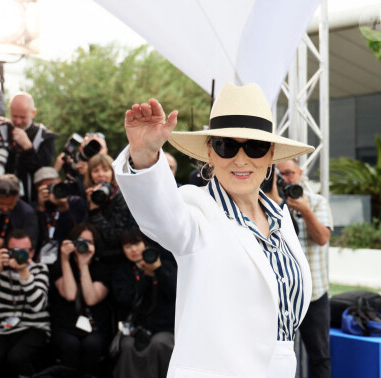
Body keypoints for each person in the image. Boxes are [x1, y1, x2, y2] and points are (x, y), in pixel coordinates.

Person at [113, 82, 315, 377]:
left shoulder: (281, 220)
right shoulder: (196, 211)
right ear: (210, 154)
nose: (241, 159)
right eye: (226, 146)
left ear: (271, 156)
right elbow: (160, 215)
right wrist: (143, 155)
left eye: (256, 147)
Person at [275, 159, 333, 378]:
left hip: (314, 295)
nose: (285, 179)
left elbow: (322, 238)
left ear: (300, 173)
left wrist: (305, 211)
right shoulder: (266, 205)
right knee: (277, 355)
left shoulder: (317, 202)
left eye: (289, 173)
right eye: (279, 175)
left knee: (319, 355)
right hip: (281, 296)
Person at [0, 229, 50, 377]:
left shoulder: (39, 269)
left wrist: (24, 273)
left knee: (17, 357)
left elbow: (38, 305)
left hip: (34, 327)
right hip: (2, 329)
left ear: (32, 252)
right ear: (6, 252)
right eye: (14, 251)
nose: (19, 256)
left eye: (24, 251)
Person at [49, 222, 113, 376]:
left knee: (92, 345)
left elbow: (91, 299)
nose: (83, 245)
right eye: (79, 241)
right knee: (70, 345)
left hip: (95, 325)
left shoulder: (102, 269)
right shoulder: (60, 266)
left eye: (88, 242)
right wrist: (65, 259)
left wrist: (84, 265)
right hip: (66, 325)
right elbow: (70, 294)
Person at [112, 228, 177, 378]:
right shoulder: (123, 272)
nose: (134, 249)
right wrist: (145, 279)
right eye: (128, 246)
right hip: (137, 327)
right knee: (127, 346)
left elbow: (174, 292)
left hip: (165, 328)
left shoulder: (165, 265)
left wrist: (158, 270)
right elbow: (126, 299)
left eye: (137, 244)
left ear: (145, 244)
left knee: (159, 344)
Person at [0, 91, 59, 202]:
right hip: (0, 197)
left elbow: (42, 172)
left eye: (23, 117)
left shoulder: (45, 137)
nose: (18, 121)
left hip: (30, 199)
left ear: (33, 113)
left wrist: (28, 147)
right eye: (14, 116)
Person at [84, 154, 133, 265]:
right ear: (90, 175)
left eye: (105, 170)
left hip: (117, 257)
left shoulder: (121, 196)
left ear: (112, 172)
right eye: (95, 171)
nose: (101, 174)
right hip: (93, 256)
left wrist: (95, 212)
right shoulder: (88, 195)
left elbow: (115, 236)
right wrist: (90, 202)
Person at [33, 166, 85, 263]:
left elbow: (75, 233)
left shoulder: (75, 202)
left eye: (54, 185)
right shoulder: (34, 208)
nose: (52, 189)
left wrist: (64, 207)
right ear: (37, 188)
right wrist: (40, 208)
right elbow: (35, 236)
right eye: (47, 187)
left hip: (69, 257)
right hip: (40, 259)